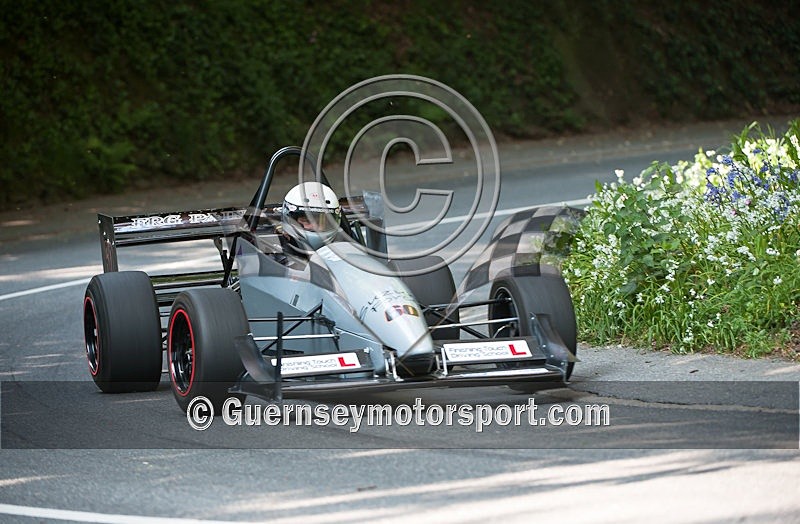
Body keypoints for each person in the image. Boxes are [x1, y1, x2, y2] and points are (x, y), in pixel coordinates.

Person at [279, 182, 342, 254]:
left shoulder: (345, 246)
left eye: (321, 221)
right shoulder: (273, 253)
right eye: (307, 220)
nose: (315, 226)